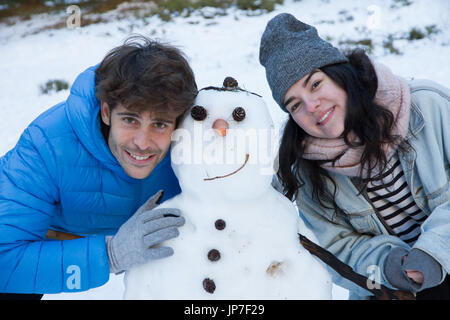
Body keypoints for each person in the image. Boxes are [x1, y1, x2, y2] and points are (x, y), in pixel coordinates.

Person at [259, 13, 449, 300]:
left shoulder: (427, 106)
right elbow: (338, 247)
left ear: (340, 74)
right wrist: (386, 265)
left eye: (315, 84)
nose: (311, 106)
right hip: (392, 289)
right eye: (295, 104)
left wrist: (435, 252)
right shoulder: (306, 174)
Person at [0, 35, 197, 299]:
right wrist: (110, 255)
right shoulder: (45, 144)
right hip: (46, 233)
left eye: (160, 124)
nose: (142, 143)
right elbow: (5, 259)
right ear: (106, 112)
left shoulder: (195, 143)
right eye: (130, 119)